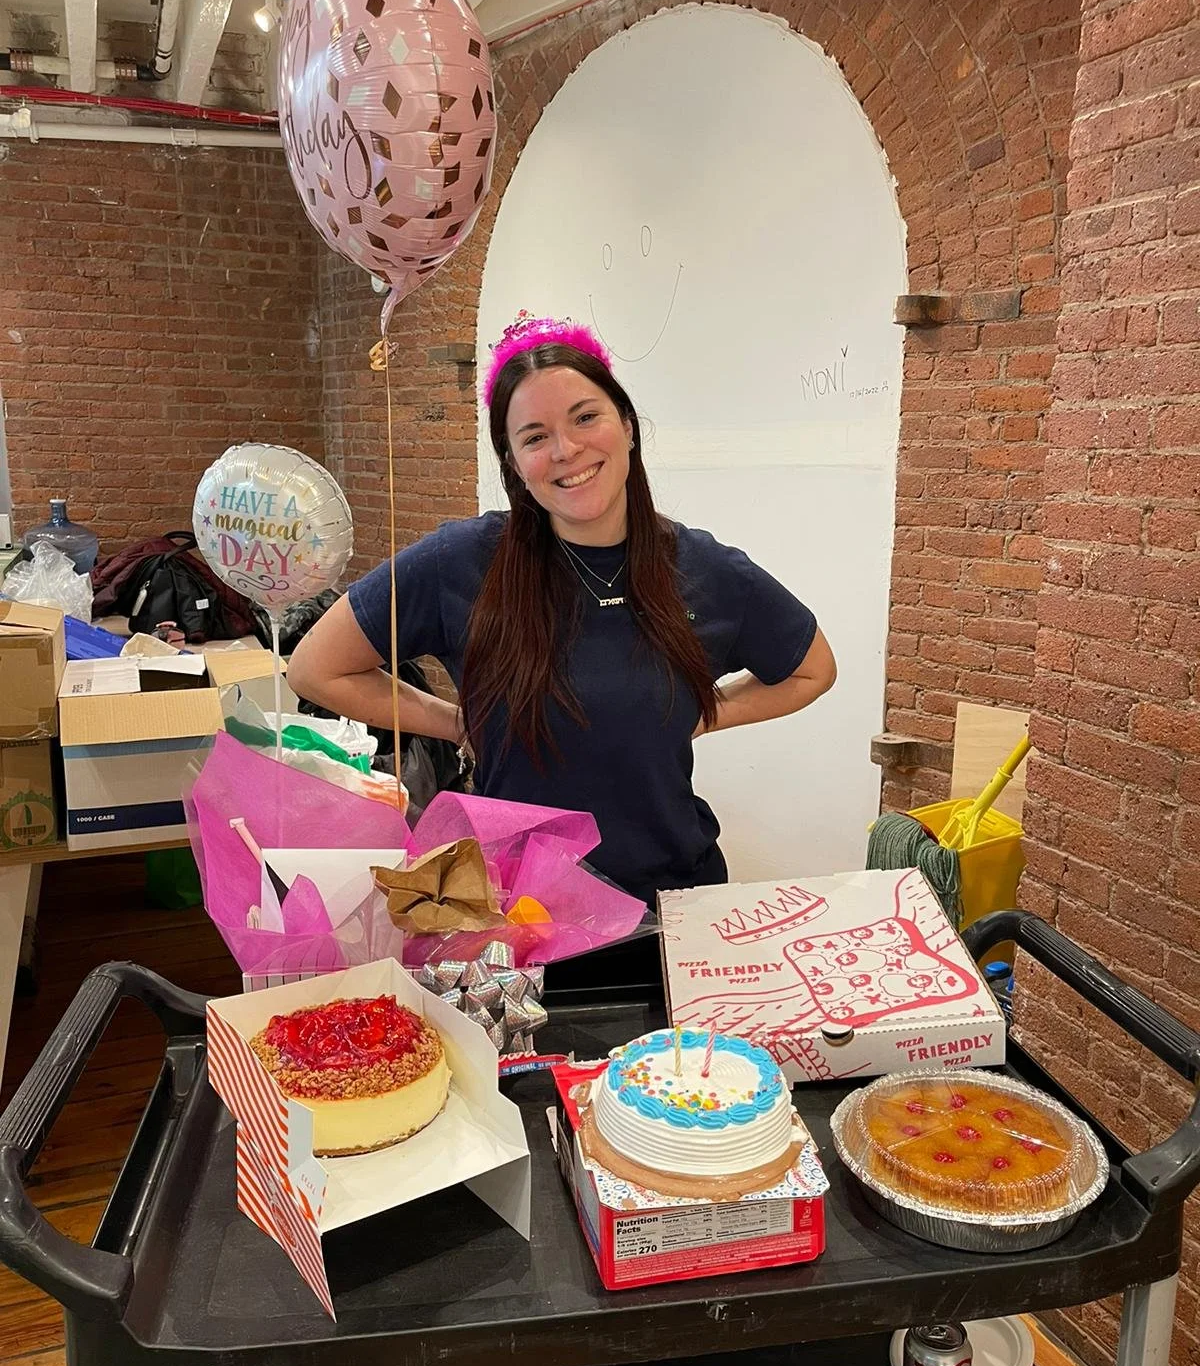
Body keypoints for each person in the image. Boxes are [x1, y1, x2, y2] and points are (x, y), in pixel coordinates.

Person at [288, 312, 836, 989]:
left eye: (585, 417)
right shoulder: (462, 563)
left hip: (670, 919)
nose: (567, 449)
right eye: (535, 436)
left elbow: (813, 669)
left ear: (627, 424)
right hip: (511, 927)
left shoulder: (705, 570)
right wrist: (458, 721)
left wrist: (705, 711)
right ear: (514, 463)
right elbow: (315, 666)